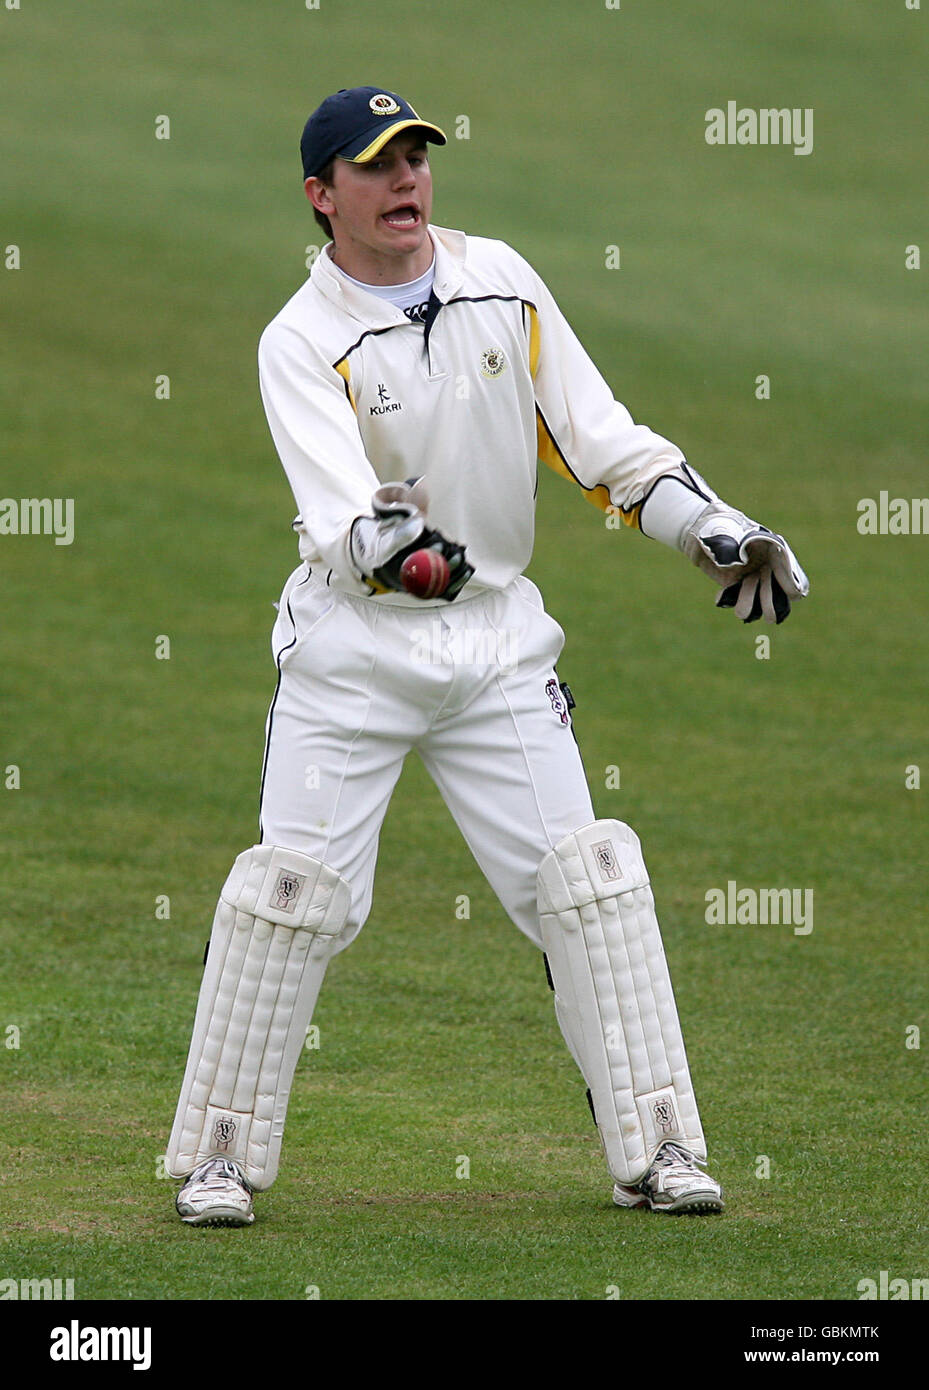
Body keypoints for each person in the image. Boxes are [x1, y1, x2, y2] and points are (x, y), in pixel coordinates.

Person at [165, 86, 808, 1227]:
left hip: (497, 642)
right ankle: (217, 1156)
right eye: (375, 165)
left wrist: (706, 525)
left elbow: (595, 435)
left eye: (415, 155)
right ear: (322, 197)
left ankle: (658, 1149)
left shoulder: (500, 281)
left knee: (589, 882)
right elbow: (337, 523)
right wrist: (397, 554)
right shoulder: (299, 340)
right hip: (351, 653)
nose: (405, 178)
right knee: (290, 895)